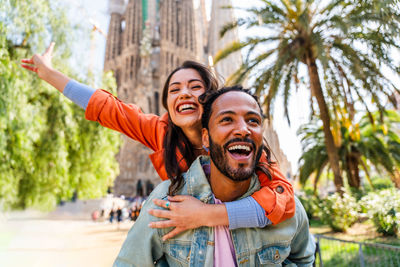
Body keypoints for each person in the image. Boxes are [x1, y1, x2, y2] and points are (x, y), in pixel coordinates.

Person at [21, 43, 295, 238]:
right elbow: (108, 108)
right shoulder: (162, 133)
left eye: (195, 87)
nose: (184, 94)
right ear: (167, 104)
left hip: (246, 238)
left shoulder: (239, 140)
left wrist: (205, 214)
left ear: (211, 98)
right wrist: (48, 73)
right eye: (174, 89)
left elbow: (284, 199)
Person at [113, 86, 315, 266]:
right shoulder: (167, 203)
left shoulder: (286, 207)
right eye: (227, 119)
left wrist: (207, 214)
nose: (243, 129)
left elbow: (305, 259)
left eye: (253, 120)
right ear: (205, 138)